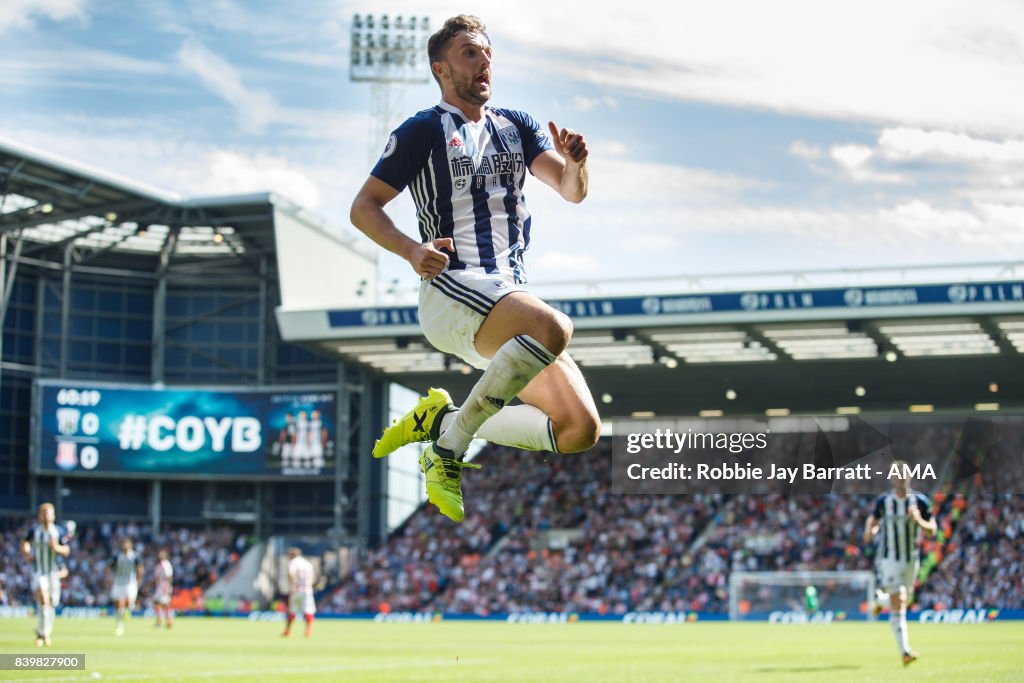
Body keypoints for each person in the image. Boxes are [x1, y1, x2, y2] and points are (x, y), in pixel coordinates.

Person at [351, 14, 601, 522]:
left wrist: (577, 164)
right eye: (470, 52)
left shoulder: (517, 126)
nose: (484, 60)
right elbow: (364, 207)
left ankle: (441, 421)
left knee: (579, 430)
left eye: (487, 52)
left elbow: (571, 191)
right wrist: (410, 251)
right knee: (553, 326)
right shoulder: (423, 129)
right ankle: (449, 449)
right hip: (451, 290)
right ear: (441, 68)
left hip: (505, 299)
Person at [863, 460, 937, 666]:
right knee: (899, 599)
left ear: (909, 476)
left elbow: (933, 530)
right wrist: (870, 531)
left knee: (902, 601)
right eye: (897, 474)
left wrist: (919, 521)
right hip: (889, 559)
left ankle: (880, 602)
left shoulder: (920, 502)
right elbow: (873, 521)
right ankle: (905, 651)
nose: (900, 478)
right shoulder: (884, 502)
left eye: (904, 474)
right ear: (892, 477)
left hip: (911, 559)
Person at [21, 502, 70, 647]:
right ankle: (44, 634)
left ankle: (42, 632)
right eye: (43, 513)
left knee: (51, 604)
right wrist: (27, 553)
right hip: (38, 571)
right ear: (39, 516)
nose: (46, 515)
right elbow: (25, 542)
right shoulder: (34, 531)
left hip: (53, 573)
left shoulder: (59, 532)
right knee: (44, 599)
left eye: (48, 513)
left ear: (53, 515)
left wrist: (56, 548)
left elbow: (67, 550)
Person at [110, 537, 143, 636]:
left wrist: (139, 579)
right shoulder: (117, 556)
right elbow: (110, 567)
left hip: (130, 583)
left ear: (130, 545)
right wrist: (109, 578)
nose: (125, 546)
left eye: (126, 544)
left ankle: (127, 611)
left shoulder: (135, 556)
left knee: (127, 602)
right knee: (118, 605)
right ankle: (119, 625)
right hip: (118, 582)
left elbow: (140, 568)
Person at [282, 547, 315, 638]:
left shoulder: (293, 562)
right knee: (308, 610)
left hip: (297, 589)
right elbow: (312, 577)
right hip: (307, 589)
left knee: (292, 610)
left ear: (293, 555)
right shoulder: (307, 563)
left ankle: (287, 631)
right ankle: (308, 631)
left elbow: (290, 573)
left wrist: (292, 586)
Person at [153, 549, 174, 629]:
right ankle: (162, 620)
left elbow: (169, 577)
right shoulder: (159, 565)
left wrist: (168, 587)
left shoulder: (166, 565)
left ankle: (167, 621)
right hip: (160, 586)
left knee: (164, 603)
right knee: (159, 603)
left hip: (164, 586)